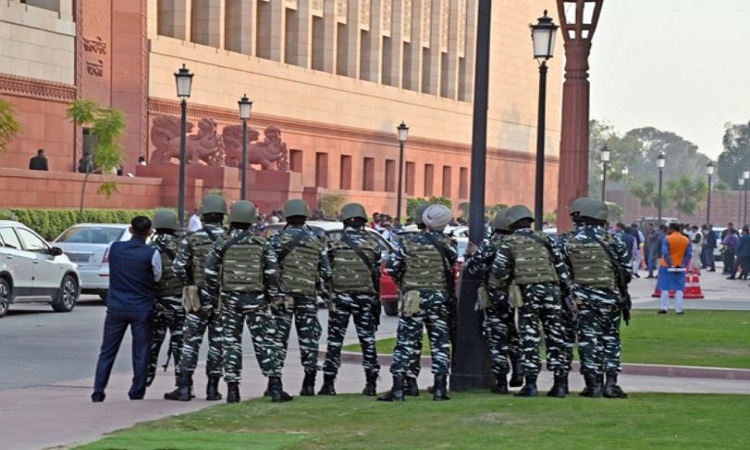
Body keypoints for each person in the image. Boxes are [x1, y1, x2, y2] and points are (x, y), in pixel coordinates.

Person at [487, 204, 571, 398]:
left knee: (530, 337)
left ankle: (531, 385)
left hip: (528, 293)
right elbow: (561, 268)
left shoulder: (510, 242)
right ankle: (559, 384)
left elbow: (499, 271)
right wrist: (565, 293)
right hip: (552, 291)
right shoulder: (546, 238)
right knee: (555, 336)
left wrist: (503, 287)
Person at [378, 204, 457, 402]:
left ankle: (398, 389)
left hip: (413, 298)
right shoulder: (450, 244)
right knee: (440, 344)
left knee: (405, 343)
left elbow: (393, 268)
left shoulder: (408, 242)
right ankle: (440, 389)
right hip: (439, 297)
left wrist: (406, 284)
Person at [204, 200, 278, 403]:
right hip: (257, 299)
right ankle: (275, 386)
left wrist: (215, 294)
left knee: (231, 344)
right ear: (252, 221)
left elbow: (209, 273)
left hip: (229, 300)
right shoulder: (262, 244)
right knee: (264, 343)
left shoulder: (221, 244)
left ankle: (232, 390)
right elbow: (272, 273)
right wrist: (270, 296)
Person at [558, 198, 632, 399]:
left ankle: (593, 385)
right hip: (610, 298)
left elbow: (562, 272)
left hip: (582, 300)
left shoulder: (567, 241)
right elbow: (627, 272)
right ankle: (611, 384)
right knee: (611, 339)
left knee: (587, 339)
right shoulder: (614, 240)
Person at [165, 194, 228, 401]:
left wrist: (189, 283)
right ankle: (212, 388)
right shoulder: (230, 239)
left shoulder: (193, 239)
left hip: (197, 297)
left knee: (190, 342)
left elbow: (178, 267)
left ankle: (184, 387)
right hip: (223, 298)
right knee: (217, 343)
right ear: (223, 216)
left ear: (203, 217)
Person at [91, 216, 162, 402]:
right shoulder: (151, 253)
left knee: (107, 351)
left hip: (116, 306)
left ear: (130, 229)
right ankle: (136, 391)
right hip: (141, 307)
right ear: (149, 232)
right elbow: (157, 276)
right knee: (141, 351)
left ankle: (98, 391)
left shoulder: (115, 248)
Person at [264, 199, 330, 398]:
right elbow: (327, 271)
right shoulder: (316, 241)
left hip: (283, 297)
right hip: (307, 296)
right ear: (305, 216)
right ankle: (309, 383)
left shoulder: (276, 239)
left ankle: (274, 383)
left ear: (287, 217)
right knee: (309, 340)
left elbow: (268, 269)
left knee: (278, 340)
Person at [318, 203, 382, 396]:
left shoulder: (334, 244)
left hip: (341, 298)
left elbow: (326, 272)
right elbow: (376, 271)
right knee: (367, 340)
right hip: (365, 298)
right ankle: (371, 383)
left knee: (335, 341)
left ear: (345, 221)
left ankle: (328, 383)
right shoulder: (373, 243)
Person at [463, 208, 524, 394]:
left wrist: (473, 254)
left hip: (495, 295)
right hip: (517, 296)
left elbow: (472, 268)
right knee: (513, 333)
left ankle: (501, 382)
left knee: (497, 338)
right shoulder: (520, 243)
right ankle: (519, 370)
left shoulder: (491, 244)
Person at [146, 210, 186, 391]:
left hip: (156, 302)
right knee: (179, 344)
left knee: (152, 344)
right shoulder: (182, 246)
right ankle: (183, 383)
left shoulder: (150, 247)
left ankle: (143, 381)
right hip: (178, 303)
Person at [657, 223, 692, 314]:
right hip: (680, 266)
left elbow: (665, 252)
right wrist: (683, 264)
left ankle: (664, 308)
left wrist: (670, 263)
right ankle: (678, 309)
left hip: (666, 266)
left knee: (665, 287)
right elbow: (688, 254)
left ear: (672, 229)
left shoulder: (667, 238)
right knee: (679, 288)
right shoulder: (686, 240)